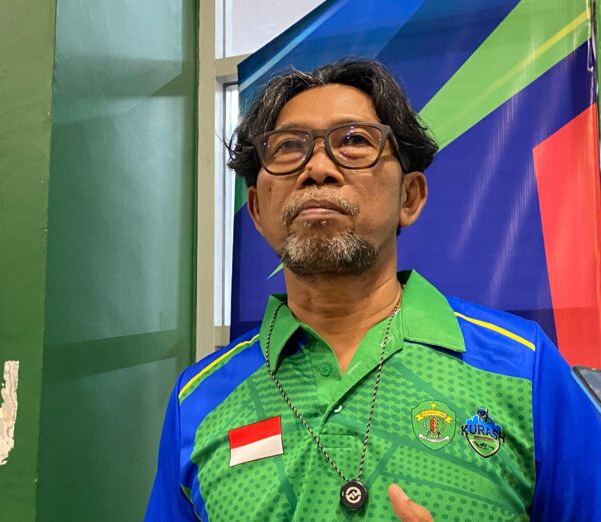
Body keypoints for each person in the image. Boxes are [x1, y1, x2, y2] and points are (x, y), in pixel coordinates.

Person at [146, 60, 601, 521]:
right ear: (258, 211)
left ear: (409, 197)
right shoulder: (197, 400)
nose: (317, 168)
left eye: (354, 141)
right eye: (288, 147)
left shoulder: (525, 368)